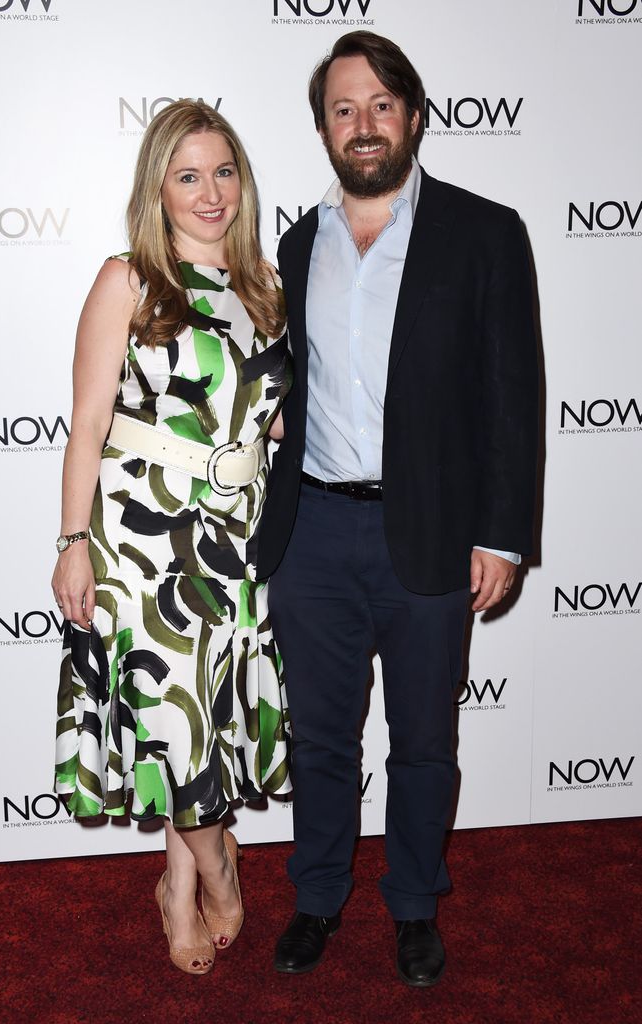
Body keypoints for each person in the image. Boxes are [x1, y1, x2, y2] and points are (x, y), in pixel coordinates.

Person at [257, 31, 539, 987]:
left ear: (414, 115)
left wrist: (502, 534)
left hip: (430, 533)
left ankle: (414, 904)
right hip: (315, 535)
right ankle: (318, 896)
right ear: (323, 129)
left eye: (380, 105)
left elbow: (512, 393)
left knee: (424, 739)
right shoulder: (296, 243)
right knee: (320, 737)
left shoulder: (483, 230)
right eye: (343, 109)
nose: (362, 125)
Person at [52, 100, 291, 976]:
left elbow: (270, 419)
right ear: (158, 185)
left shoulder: (264, 282)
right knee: (170, 716)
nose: (210, 192)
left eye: (223, 171)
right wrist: (72, 539)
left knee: (205, 719)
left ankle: (173, 880)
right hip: (144, 536)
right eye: (188, 174)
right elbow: (85, 423)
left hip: (239, 536)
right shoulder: (127, 278)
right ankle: (215, 868)